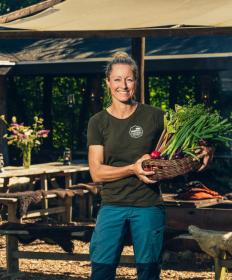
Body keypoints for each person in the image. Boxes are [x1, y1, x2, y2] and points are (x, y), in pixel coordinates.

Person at [87, 52, 212, 280]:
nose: (123, 85)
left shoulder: (154, 116)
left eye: (129, 79)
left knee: (148, 272)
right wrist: (133, 169)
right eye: (117, 79)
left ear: (136, 81)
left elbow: (184, 145)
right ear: (108, 83)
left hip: (148, 206)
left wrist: (205, 150)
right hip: (112, 205)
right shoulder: (98, 122)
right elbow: (97, 172)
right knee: (101, 271)